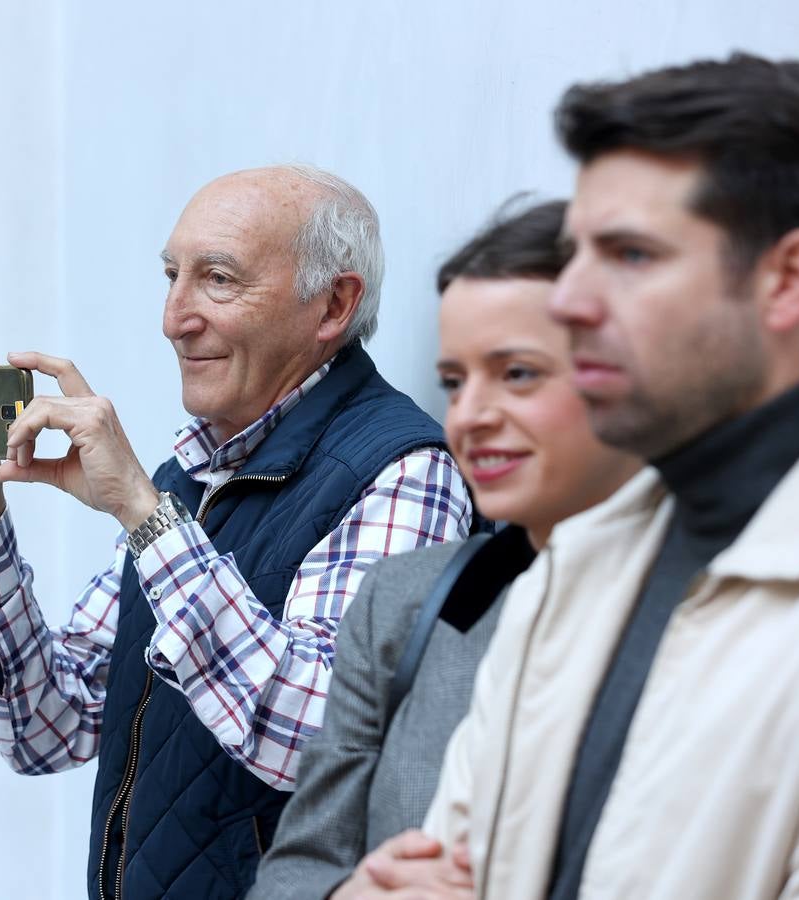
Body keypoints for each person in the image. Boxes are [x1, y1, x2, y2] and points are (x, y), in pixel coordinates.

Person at [0, 165, 473, 900]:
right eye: (172, 276)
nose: (174, 317)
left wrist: (144, 511)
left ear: (334, 304)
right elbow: (48, 726)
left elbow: (315, 743)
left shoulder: (403, 471)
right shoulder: (189, 474)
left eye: (218, 279)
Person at [422, 53, 799, 900]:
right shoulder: (574, 559)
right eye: (575, 256)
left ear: (786, 278)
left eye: (630, 254)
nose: (569, 299)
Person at [248, 199, 641, 900]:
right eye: (456, 381)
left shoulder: (723, 606)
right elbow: (295, 868)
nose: (470, 415)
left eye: (517, 373)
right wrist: (353, 895)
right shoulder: (406, 599)